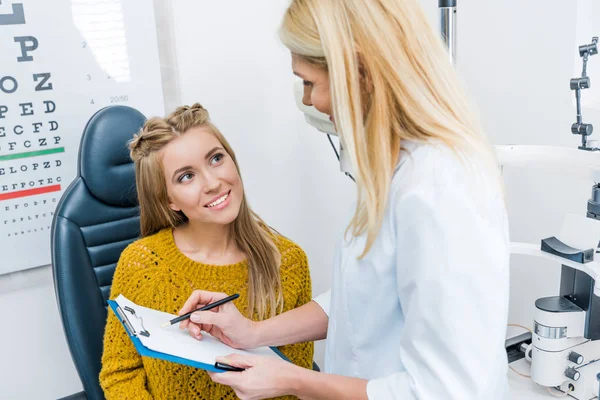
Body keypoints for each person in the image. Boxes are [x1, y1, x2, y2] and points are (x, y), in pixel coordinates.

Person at [177, 0, 510, 399]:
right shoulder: (393, 170)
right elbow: (363, 302)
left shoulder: (440, 188)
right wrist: (251, 332)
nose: (309, 101)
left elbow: (448, 391)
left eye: (310, 82)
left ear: (357, 72)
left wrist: (291, 379)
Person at [99, 104, 314, 399]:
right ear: (168, 199)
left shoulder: (287, 262)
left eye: (216, 158)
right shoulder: (142, 264)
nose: (213, 183)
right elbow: (119, 375)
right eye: (186, 177)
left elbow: (295, 379)